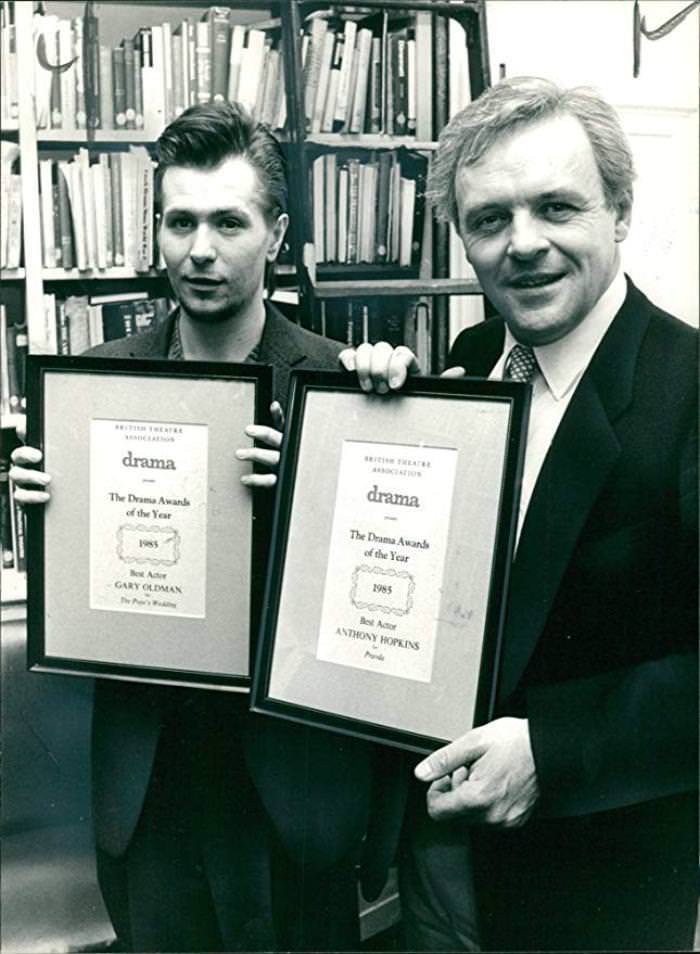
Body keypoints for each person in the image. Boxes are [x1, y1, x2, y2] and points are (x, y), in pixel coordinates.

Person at [10, 102, 404, 953]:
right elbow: (88, 599)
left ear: (277, 231)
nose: (200, 249)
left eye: (229, 221)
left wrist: (342, 468)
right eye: (179, 220)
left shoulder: (346, 388)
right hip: (153, 794)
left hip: (294, 799)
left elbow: (389, 600)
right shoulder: (96, 387)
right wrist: (45, 513)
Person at [342, 77, 698, 952]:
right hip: (431, 865)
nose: (523, 244)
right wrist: (362, 432)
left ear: (618, 212)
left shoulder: (691, 388)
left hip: (597, 885)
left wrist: (554, 749)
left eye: (556, 207)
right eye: (490, 219)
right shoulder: (464, 365)